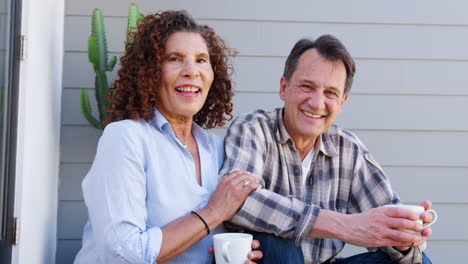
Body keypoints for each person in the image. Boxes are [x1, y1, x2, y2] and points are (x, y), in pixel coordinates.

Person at [219, 35, 434, 264]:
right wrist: (344, 226)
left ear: (342, 101)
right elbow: (236, 200)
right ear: (284, 88)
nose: (317, 102)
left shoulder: (348, 150)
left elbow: (388, 225)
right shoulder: (253, 129)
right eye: (307, 86)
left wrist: (404, 236)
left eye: (330, 93)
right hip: (266, 260)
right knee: (276, 244)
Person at [74, 10, 263, 264]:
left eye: (201, 60)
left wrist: (234, 256)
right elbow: (122, 254)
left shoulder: (217, 149)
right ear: (150, 72)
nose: (191, 71)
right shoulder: (125, 138)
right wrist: (213, 213)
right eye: (175, 59)